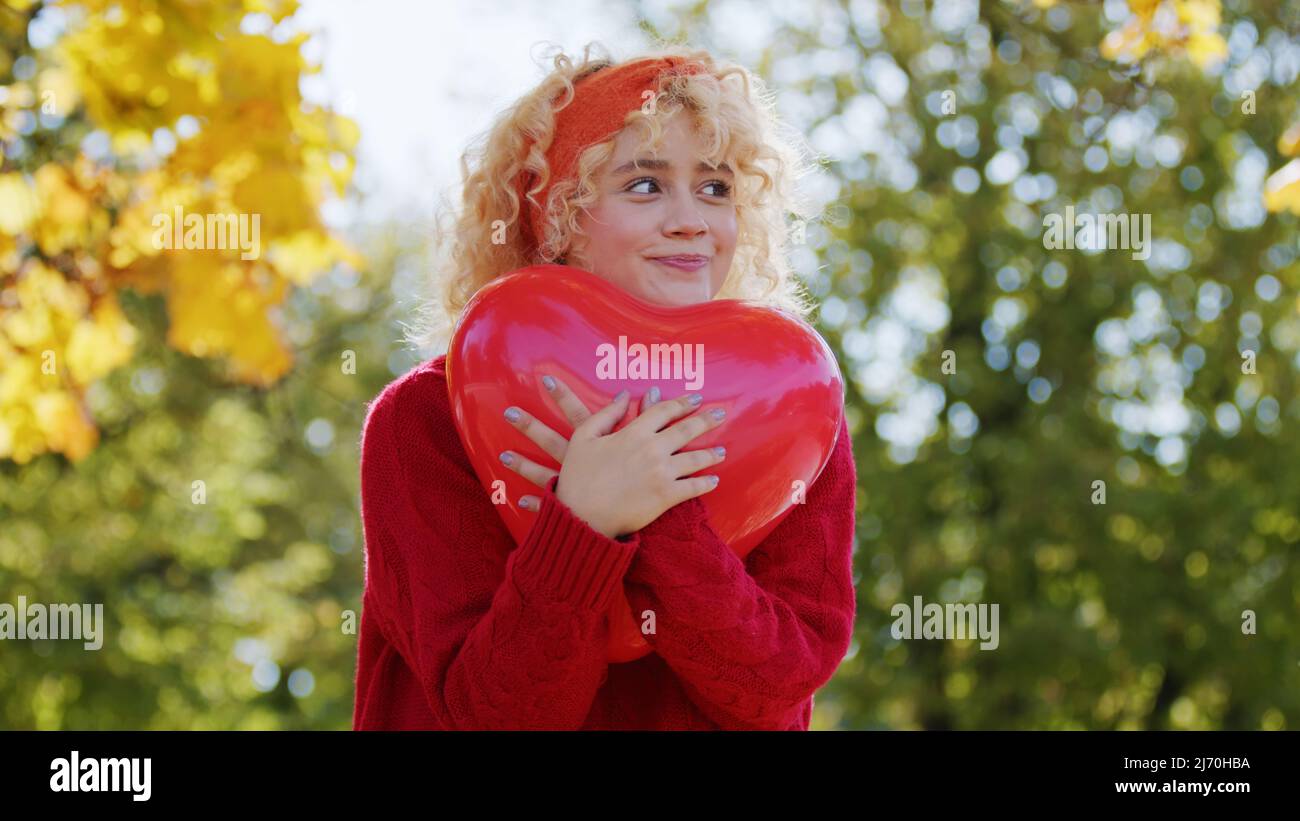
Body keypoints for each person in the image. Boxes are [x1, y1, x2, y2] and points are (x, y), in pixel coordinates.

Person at [352, 42, 858, 730]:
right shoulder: (430, 417)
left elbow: (775, 690)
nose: (691, 219)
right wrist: (581, 529)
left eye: (716, 187)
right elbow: (494, 715)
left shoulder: (791, 411)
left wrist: (657, 513)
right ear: (557, 217)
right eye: (645, 184)